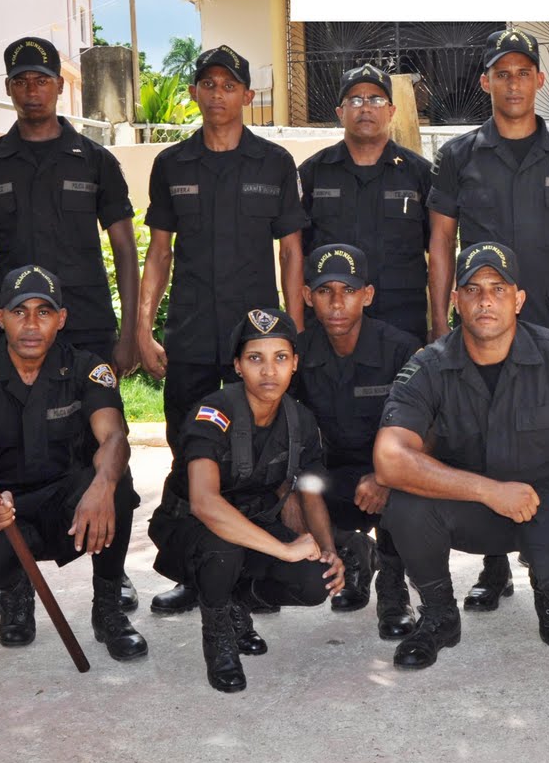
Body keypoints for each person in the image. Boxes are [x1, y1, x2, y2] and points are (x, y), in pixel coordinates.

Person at [373, 242, 549, 670]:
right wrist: (488, 491)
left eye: (499, 288)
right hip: (476, 506)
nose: (486, 299)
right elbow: (390, 457)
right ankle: (440, 615)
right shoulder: (429, 366)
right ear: (455, 300)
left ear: (518, 299)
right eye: (472, 288)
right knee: (406, 502)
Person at [0, 36, 142, 618]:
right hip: (14, 323)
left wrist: (133, 329)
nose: (32, 90)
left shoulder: (95, 160)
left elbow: (125, 246)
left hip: (83, 321)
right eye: (20, 81)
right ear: (8, 88)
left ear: (60, 86)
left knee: (98, 450)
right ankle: (15, 581)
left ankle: (108, 579)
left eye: (42, 79)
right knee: (8, 449)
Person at [426, 28, 549, 611]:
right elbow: (441, 243)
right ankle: (494, 563)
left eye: (523, 72)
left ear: (539, 80)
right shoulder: (458, 156)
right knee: (485, 438)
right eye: (501, 73)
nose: (512, 83)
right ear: (485, 83)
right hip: (483, 322)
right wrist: (440, 323)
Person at [139, 45, 309, 616]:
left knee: (261, 455)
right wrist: (143, 327)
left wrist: (295, 332)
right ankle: (194, 571)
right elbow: (158, 253)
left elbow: (291, 251)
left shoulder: (274, 163)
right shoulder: (172, 165)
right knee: (190, 454)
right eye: (207, 85)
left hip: (254, 345)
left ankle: (250, 572)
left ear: (247, 95)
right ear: (194, 94)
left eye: (228, 85)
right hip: (190, 338)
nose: (218, 94)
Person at [0, 265, 147, 661]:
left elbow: (113, 436)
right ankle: (16, 590)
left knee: (116, 480)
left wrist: (102, 487)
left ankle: (107, 607)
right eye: (19, 312)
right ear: (0, 318)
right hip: (5, 504)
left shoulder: (88, 368)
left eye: (44, 312)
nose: (31, 324)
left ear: (61, 319)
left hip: (66, 503)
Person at [146, 308, 344, 693]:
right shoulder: (213, 413)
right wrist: (284, 550)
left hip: (252, 525)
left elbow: (311, 488)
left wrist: (326, 547)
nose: (269, 371)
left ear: (294, 364)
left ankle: (237, 603)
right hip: (192, 531)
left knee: (316, 579)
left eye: (280, 358)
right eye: (256, 358)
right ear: (237, 365)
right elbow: (204, 503)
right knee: (224, 549)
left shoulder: (300, 419)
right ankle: (218, 637)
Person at [292, 243, 421, 639]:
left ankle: (393, 589)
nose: (336, 303)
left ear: (367, 295)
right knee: (287, 490)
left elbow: (428, 431)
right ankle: (351, 554)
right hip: (332, 476)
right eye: (325, 291)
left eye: (348, 291)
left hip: (392, 473)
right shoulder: (297, 353)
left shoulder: (400, 348)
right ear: (306, 296)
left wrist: (385, 477)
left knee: (408, 493)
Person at [298, 64, 433, 341]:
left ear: (392, 111)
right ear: (340, 112)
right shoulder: (313, 173)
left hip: (401, 320)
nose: (366, 107)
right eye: (355, 100)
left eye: (376, 99)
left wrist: (440, 321)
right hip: (330, 323)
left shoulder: (419, 174)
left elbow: (440, 250)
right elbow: (295, 253)